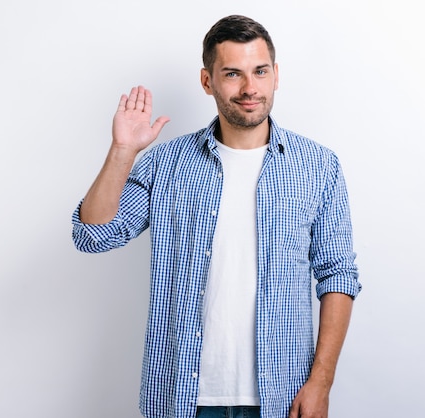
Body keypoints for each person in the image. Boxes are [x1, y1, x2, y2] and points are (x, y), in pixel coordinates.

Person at [72, 14, 361, 418]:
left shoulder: (317, 166)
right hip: (181, 397)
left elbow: (338, 276)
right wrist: (123, 152)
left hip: (283, 396)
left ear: (276, 74)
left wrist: (321, 381)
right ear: (207, 81)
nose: (249, 88)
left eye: (260, 71)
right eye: (232, 74)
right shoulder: (166, 163)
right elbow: (93, 237)